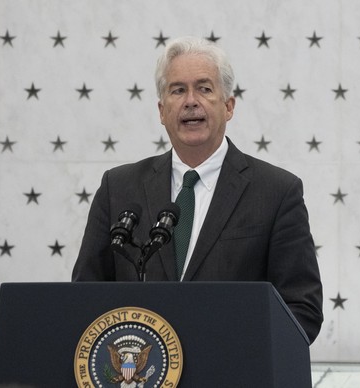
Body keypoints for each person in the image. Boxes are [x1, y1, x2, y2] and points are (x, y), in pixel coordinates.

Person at [72, 36, 323, 343]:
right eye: (178, 90)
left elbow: (302, 309)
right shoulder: (119, 188)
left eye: (204, 88)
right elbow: (84, 298)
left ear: (229, 106)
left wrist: (234, 352)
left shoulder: (276, 192)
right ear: (162, 110)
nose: (191, 100)